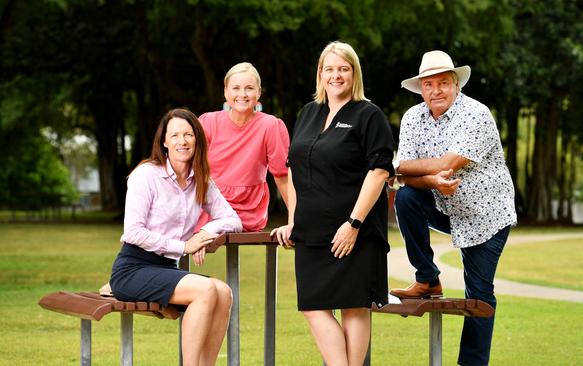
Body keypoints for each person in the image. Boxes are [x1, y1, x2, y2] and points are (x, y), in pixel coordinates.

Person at [388, 50, 517, 366]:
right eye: (429, 84)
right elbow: (401, 171)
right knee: (405, 198)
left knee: (478, 295)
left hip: (486, 213)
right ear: (421, 88)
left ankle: (471, 364)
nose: (436, 91)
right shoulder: (411, 118)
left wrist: (415, 170)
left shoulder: (477, 114)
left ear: (456, 84)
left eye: (443, 83)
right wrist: (429, 178)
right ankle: (428, 279)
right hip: (443, 204)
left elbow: (448, 163)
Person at [272, 41, 394, 366]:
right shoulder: (309, 113)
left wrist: (353, 224)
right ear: (320, 74)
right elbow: (294, 168)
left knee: (354, 307)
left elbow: (379, 170)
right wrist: (293, 219)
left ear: (354, 74)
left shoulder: (368, 114)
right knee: (313, 307)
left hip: (354, 233)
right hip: (311, 234)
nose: (336, 75)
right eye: (329, 69)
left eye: (343, 68)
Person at [109, 108, 242, 366]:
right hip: (133, 268)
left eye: (189, 135)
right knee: (205, 290)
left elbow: (233, 220)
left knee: (223, 292)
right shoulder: (146, 175)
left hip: (166, 268)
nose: (182, 141)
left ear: (197, 140)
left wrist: (205, 231)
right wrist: (184, 245)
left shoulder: (201, 180)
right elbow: (133, 232)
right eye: (175, 135)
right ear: (164, 142)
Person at [196, 62, 290, 232]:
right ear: (225, 92)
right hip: (210, 206)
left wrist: (295, 219)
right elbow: (193, 169)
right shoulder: (208, 123)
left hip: (248, 211)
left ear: (259, 92)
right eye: (236, 88)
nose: (243, 94)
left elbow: (282, 176)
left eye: (249, 88)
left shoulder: (271, 126)